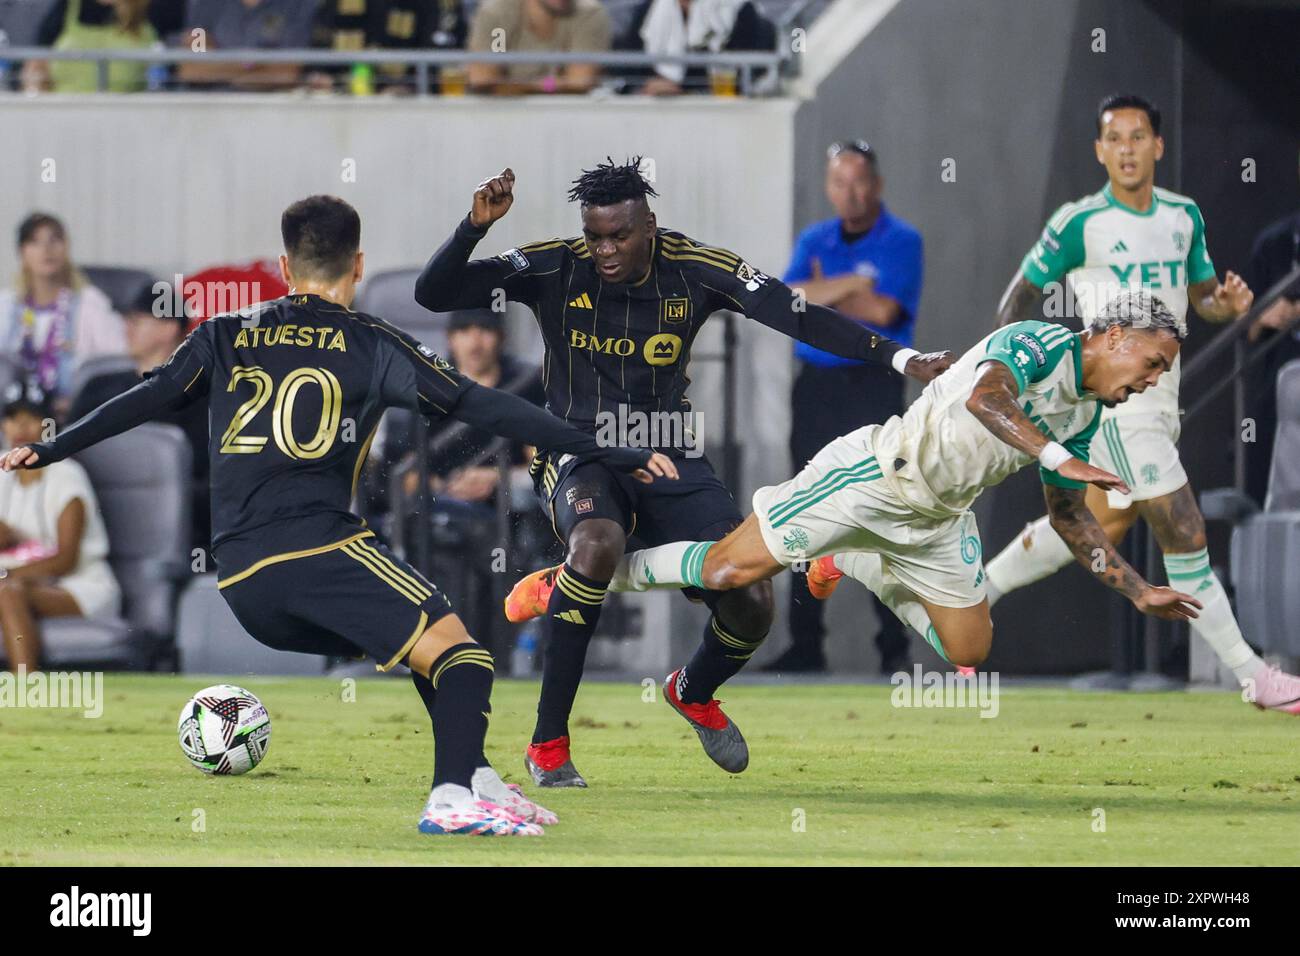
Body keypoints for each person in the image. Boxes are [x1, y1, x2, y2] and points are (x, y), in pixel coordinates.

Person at [1, 194, 675, 836]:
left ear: (286, 267)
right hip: (315, 550)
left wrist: (52, 445)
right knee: (466, 660)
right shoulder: (372, 342)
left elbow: (146, 396)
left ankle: (476, 776)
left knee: (428, 649)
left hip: (242, 581)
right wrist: (596, 447)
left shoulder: (225, 332)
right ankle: (448, 799)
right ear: (358, 265)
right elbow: (482, 405)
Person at [508, 294, 1300, 744]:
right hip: (870, 476)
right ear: (1114, 336)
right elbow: (990, 399)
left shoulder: (1090, 414)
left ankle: (848, 562)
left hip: (935, 520)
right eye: (1153, 362)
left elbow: (1070, 521)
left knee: (969, 648)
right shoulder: (1038, 341)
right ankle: (577, 579)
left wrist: (1135, 591)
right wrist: (1059, 459)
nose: (1154, 379)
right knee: (723, 573)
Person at [414, 159, 952, 786]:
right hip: (577, 450)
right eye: (596, 237)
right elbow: (435, 293)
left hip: (666, 449)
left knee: (751, 597)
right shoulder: (556, 264)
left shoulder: (696, 268)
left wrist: (900, 357)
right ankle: (549, 744)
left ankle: (692, 690)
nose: (606, 251)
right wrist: (472, 229)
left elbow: (794, 311)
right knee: (597, 547)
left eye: (619, 236)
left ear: (650, 225)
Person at [979, 93, 1300, 707]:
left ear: (1157, 146)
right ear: (1100, 151)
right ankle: (1251, 674)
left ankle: (978, 591)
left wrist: (1227, 308)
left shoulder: (1183, 217)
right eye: (1114, 139)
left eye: (1137, 137)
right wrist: (1003, 365)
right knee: (1182, 523)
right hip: (1115, 404)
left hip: (1161, 396)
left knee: (1103, 521)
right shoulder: (1079, 223)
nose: (1126, 149)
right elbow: (1020, 295)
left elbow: (1202, 299)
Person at [765, 139, 924, 675]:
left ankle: (894, 652)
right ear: (829, 186)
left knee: (884, 507)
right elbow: (788, 299)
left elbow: (883, 310)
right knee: (804, 506)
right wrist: (854, 282)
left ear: (876, 185)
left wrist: (823, 290)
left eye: (859, 181)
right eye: (839, 182)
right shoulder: (814, 236)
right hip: (817, 387)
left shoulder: (904, 240)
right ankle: (805, 646)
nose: (850, 193)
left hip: (875, 385)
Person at [385, 308, 545, 641]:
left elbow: (542, 468)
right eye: (465, 330)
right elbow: (398, 477)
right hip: (432, 518)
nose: (475, 341)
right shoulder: (425, 389)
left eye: (485, 330)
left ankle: (500, 647)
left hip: (510, 518)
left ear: (500, 337)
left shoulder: (527, 387)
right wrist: (443, 485)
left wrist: (495, 479)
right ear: (450, 338)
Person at [69, 282, 211, 550]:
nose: (126, 327)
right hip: (93, 521)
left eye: (137, 320)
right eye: (126, 320)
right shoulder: (97, 386)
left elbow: (206, 482)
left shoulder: (201, 398)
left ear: (169, 328)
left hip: (172, 533)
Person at [0, 383, 120, 671]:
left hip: (81, 585)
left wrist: (6, 573)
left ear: (49, 425)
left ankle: (26, 689)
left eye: (32, 417)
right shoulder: (2, 473)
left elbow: (65, 561)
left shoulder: (67, 475)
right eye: (13, 417)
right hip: (18, 579)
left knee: (8, 591)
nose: (21, 426)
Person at [0, 213, 126, 416]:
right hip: (13, 418)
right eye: (35, 242)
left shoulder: (89, 302)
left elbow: (120, 359)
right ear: (22, 252)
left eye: (54, 239)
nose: (46, 250)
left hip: (72, 416)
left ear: (66, 247)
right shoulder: (6, 305)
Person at [1243, 153, 1300, 506]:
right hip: (1281, 401)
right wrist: (1263, 317)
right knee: (1269, 498)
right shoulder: (1274, 242)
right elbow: (1244, 331)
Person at [614, 0, 775, 96]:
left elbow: (750, 72)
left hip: (720, 113)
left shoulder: (738, 10)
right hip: (657, 111)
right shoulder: (649, 11)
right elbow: (630, 68)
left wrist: (682, 90)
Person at [466, 0, 610, 95]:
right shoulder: (499, 14)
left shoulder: (588, 14)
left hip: (563, 117)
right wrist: (550, 84)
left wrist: (513, 86)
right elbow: (484, 80)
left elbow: (579, 83)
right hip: (497, 116)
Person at [20, 0, 158, 93]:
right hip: (64, 116)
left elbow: (171, 74)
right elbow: (35, 66)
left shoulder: (149, 10)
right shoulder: (67, 5)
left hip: (129, 120)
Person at [177, 0, 318, 91]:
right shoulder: (203, 4)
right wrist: (252, 65)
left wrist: (217, 65)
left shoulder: (299, 4)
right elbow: (192, 69)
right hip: (213, 114)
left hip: (274, 116)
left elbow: (286, 74)